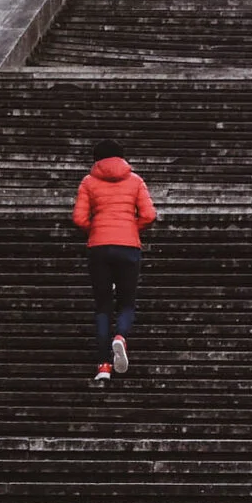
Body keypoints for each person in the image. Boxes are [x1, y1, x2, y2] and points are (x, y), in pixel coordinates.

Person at [71, 138, 157, 387]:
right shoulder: (135, 181)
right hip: (128, 246)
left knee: (102, 307)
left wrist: (96, 228)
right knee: (127, 302)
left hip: (98, 247)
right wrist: (131, 228)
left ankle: (103, 367)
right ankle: (120, 336)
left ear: (96, 159)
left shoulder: (89, 182)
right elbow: (150, 215)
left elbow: (78, 218)